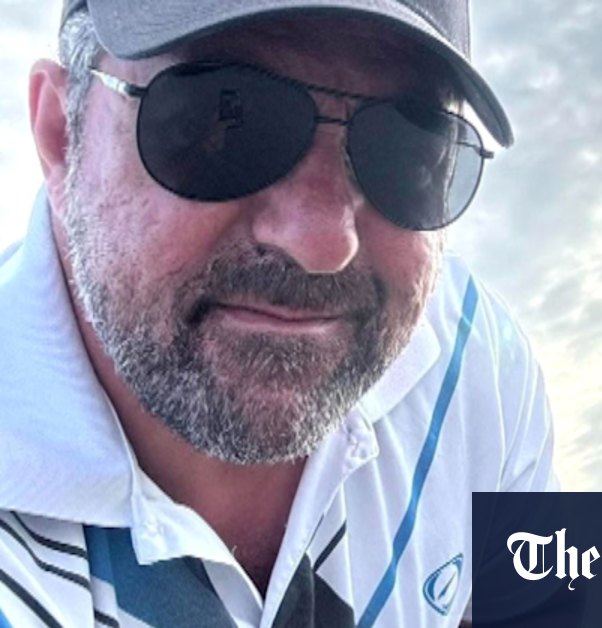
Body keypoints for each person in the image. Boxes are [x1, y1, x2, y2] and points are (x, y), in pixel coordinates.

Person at [0, 1, 557, 626]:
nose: (322, 244)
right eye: (221, 123)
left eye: (407, 149)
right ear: (61, 136)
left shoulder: (478, 371)